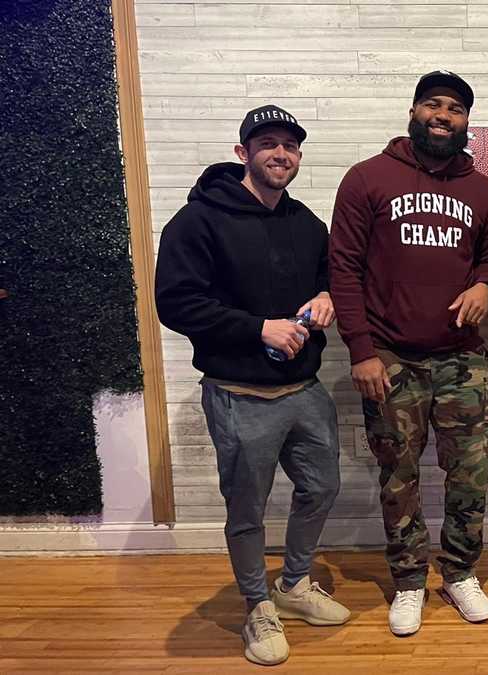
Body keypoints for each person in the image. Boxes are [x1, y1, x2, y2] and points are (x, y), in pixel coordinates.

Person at [155, 105, 348, 666]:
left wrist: (327, 297)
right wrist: (257, 327)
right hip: (239, 395)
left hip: (304, 391)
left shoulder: (306, 222)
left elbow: (328, 276)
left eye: (290, 145)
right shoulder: (196, 222)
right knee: (247, 511)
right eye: (267, 143)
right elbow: (177, 303)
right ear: (243, 152)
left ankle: (293, 585)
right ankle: (257, 607)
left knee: (322, 488)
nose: (280, 154)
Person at [328, 70, 488, 637]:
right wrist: (361, 349)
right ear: (413, 110)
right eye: (433, 104)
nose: (442, 115)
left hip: (462, 358)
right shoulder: (367, 179)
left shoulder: (482, 190)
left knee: (470, 475)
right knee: (398, 476)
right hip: (390, 358)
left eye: (454, 108)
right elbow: (344, 271)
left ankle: (458, 572)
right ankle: (407, 582)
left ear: (466, 121)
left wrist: (484, 286)